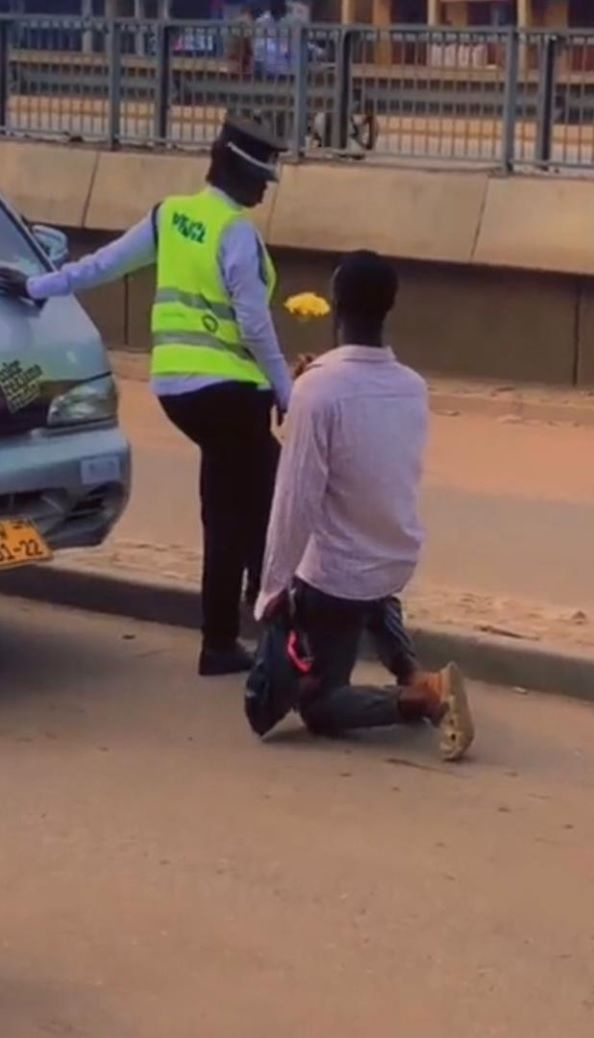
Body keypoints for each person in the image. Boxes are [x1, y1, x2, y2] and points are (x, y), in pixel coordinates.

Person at [0, 116, 292, 677]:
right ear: (235, 171)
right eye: (261, 178)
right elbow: (254, 324)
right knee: (267, 504)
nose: (264, 190)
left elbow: (102, 265)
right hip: (231, 390)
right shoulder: (236, 232)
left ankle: (220, 642)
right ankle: (272, 630)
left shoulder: (171, 216)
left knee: (228, 507)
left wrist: (36, 286)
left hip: (177, 391)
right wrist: (287, 390)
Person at [255, 250, 474, 761]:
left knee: (320, 705)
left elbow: (295, 500)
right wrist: (311, 383)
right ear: (390, 307)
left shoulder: (319, 390)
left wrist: (272, 587)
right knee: (373, 590)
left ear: (334, 304)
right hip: (393, 557)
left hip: (336, 578)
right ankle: (412, 669)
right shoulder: (411, 387)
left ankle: (420, 697)